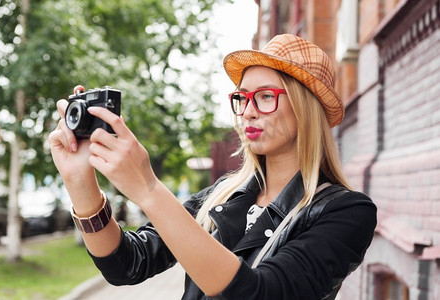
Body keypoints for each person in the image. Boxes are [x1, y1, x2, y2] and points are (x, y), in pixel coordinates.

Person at [49, 34, 377, 299]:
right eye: (242, 98)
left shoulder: (346, 211)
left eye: (264, 97)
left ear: (306, 109)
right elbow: (128, 264)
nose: (247, 112)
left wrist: (149, 189)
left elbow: (262, 292)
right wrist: (80, 182)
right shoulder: (222, 194)